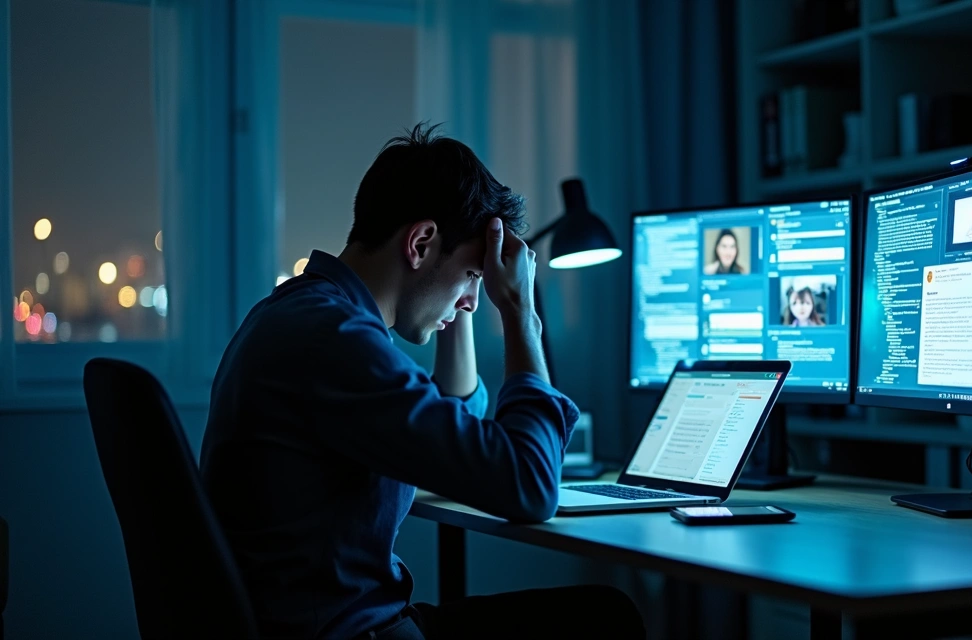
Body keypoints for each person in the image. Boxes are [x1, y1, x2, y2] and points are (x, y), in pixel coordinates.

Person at [200, 124, 645, 640]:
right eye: (475, 278)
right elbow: (531, 485)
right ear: (420, 242)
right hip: (350, 635)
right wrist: (521, 316)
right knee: (605, 619)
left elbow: (457, 431)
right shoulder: (335, 342)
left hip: (330, 625)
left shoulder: (308, 314)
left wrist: (460, 295)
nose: (476, 299)